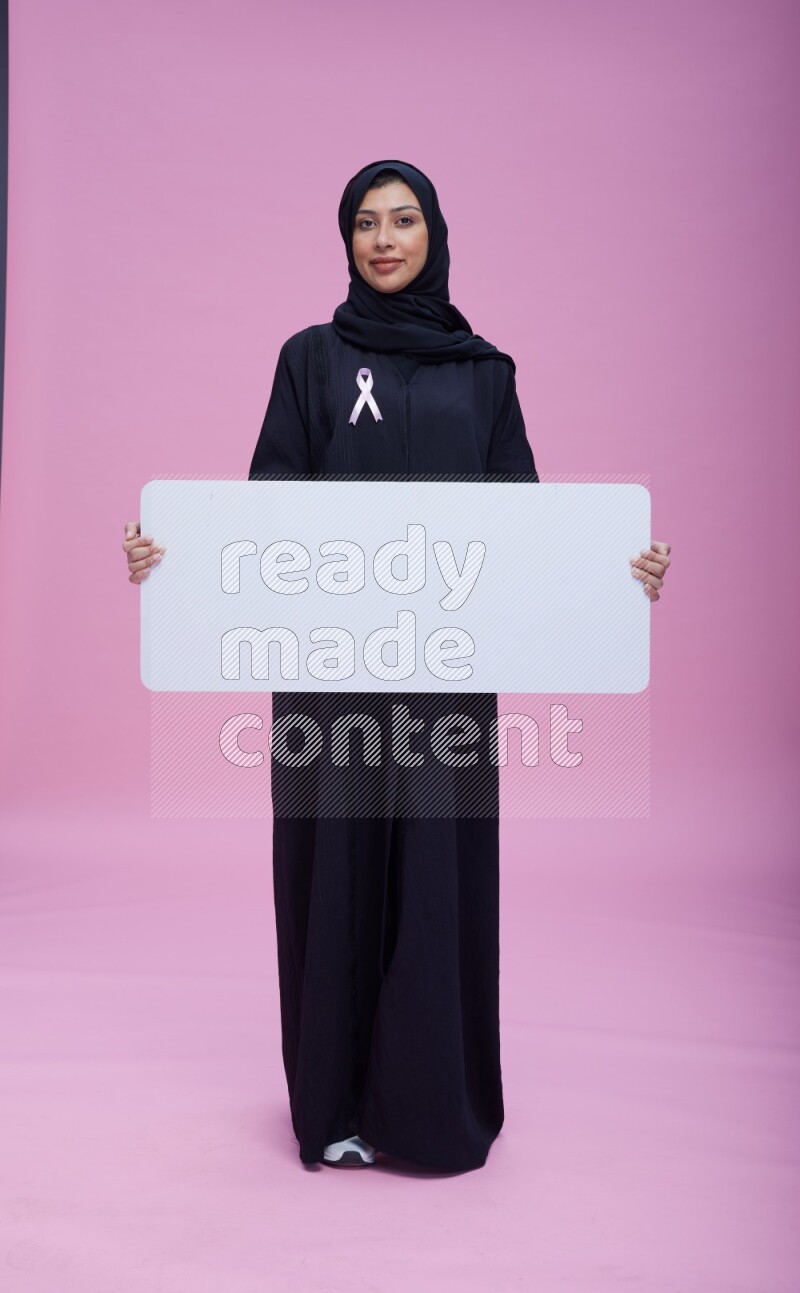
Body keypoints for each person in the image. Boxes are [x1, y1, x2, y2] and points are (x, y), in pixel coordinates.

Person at [123, 159, 672, 1173]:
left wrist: (616, 573)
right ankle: (332, 1108)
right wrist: (170, 556)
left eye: (402, 220)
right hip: (327, 685)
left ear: (434, 233)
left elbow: (529, 532)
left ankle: (427, 1114)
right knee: (332, 879)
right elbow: (259, 517)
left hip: (444, 691)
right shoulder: (310, 361)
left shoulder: (486, 374)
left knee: (434, 883)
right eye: (364, 224)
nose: (382, 239)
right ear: (344, 241)